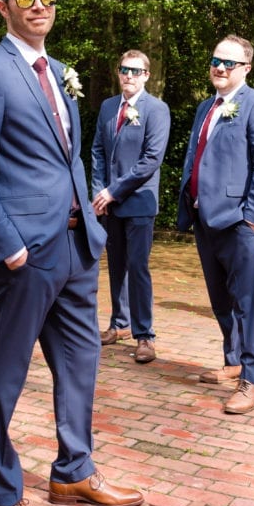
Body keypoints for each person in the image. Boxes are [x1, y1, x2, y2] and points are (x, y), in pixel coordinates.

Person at [0, 0, 143, 506]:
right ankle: (0, 495)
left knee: (81, 366)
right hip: (27, 253)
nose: (40, 5)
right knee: (4, 375)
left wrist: (90, 221)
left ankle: (73, 471)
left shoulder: (60, 71)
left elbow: (68, 158)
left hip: (77, 245)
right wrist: (7, 246)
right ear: (4, 7)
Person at [177, 35, 254, 415]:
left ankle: (252, 380)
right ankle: (233, 359)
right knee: (220, 299)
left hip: (240, 220)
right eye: (215, 60)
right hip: (205, 217)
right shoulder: (207, 106)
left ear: (246, 69)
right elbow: (196, 155)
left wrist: (253, 216)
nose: (220, 68)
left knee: (248, 302)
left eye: (229, 63)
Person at [91, 50, 171, 363]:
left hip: (139, 202)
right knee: (117, 265)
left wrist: (113, 191)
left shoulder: (157, 109)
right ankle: (119, 323)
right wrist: (99, 191)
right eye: (124, 69)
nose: (129, 76)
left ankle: (145, 335)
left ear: (147, 75)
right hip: (110, 203)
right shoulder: (109, 107)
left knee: (138, 268)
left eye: (136, 71)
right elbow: (98, 149)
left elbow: (151, 160)